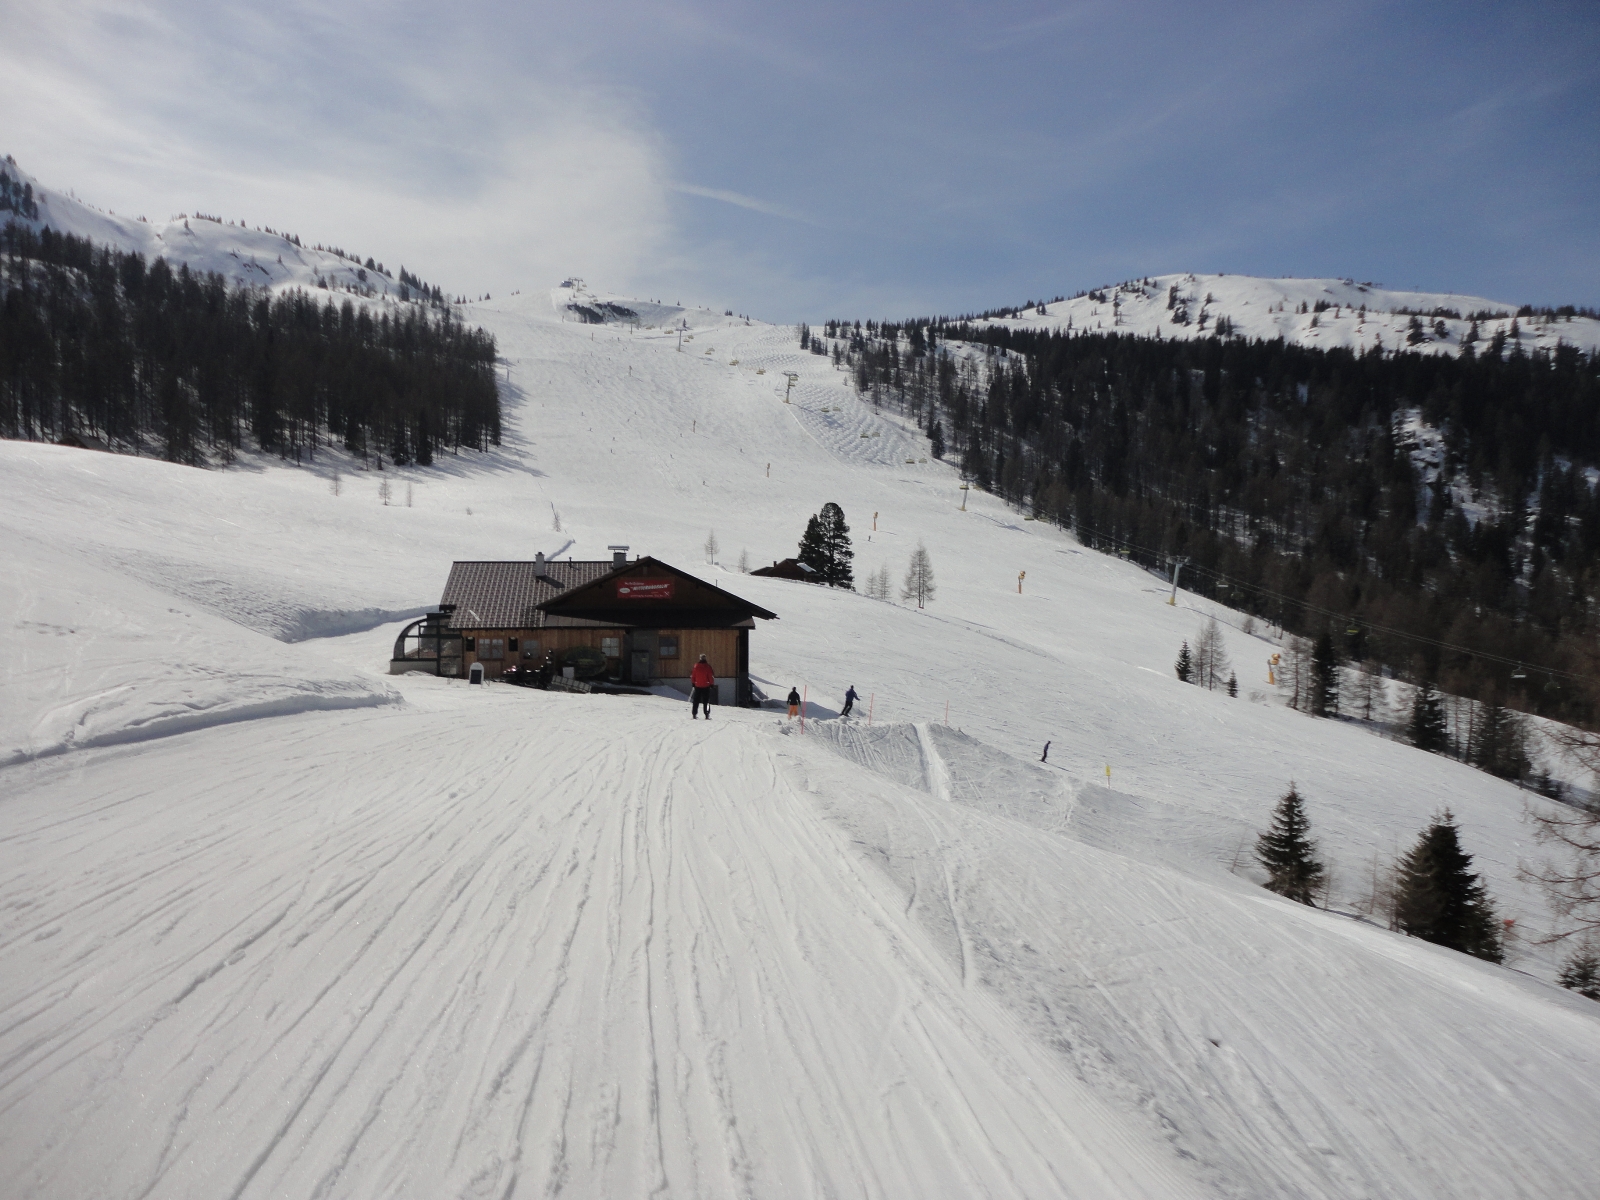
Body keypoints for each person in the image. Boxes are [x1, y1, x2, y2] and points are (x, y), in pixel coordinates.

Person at [690, 654, 716, 719]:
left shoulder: (696, 666)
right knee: (706, 701)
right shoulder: (708, 667)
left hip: (697, 685)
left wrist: (693, 683)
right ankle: (706, 714)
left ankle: (694, 713)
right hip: (706, 686)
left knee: (696, 700)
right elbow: (710, 676)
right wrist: (711, 684)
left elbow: (693, 675)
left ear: (700, 659)